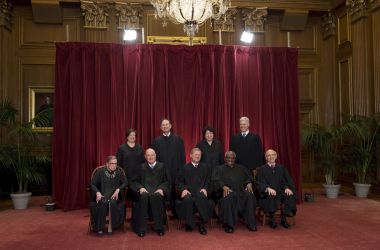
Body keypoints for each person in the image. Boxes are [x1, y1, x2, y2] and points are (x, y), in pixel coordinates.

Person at [212, 151, 257, 233]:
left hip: (240, 192)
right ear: (225, 158)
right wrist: (223, 186)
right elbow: (215, 180)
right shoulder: (218, 169)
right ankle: (229, 225)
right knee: (228, 197)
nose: (230, 159)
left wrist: (249, 183)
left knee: (250, 196)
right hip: (227, 192)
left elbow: (249, 177)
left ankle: (251, 223)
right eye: (228, 157)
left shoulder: (241, 168)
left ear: (234, 159)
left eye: (232, 158)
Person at [130, 148, 170, 237]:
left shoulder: (162, 166)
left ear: (155, 156)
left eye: (152, 155)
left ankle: (159, 227)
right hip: (145, 192)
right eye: (148, 155)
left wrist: (161, 189)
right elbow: (134, 182)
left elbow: (167, 181)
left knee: (158, 196)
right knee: (143, 197)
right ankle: (141, 228)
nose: (150, 157)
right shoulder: (141, 167)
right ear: (145, 157)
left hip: (157, 192)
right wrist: (140, 188)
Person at [176, 148, 215, 235]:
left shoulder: (206, 167)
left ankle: (202, 224)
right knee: (188, 200)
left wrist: (205, 188)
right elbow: (179, 182)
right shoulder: (185, 168)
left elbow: (209, 181)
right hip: (189, 192)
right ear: (190, 155)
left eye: (199, 155)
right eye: (196, 154)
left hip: (201, 192)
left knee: (201, 198)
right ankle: (189, 224)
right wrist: (184, 189)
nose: (197, 156)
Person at [151, 118, 185, 215]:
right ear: (161, 127)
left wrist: (182, 170)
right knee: (163, 190)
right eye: (163, 125)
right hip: (161, 170)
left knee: (175, 191)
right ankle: (161, 214)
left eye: (167, 124)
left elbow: (182, 156)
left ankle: (176, 213)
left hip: (175, 169)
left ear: (170, 126)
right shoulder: (156, 141)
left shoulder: (178, 140)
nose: (165, 126)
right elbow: (153, 157)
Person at [256, 149, 297, 229]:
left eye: (272, 155)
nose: (271, 157)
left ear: (276, 156)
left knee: (289, 195)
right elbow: (259, 183)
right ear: (266, 158)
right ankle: (272, 219)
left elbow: (285, 181)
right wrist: (267, 188)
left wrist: (286, 188)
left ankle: (284, 219)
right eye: (268, 155)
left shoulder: (281, 168)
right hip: (268, 193)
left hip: (280, 191)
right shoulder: (261, 169)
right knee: (271, 195)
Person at [90, 155, 127, 236]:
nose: (114, 165)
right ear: (107, 164)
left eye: (116, 163)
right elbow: (93, 184)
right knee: (103, 203)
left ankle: (111, 226)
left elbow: (125, 182)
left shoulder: (118, 172)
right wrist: (97, 192)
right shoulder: (100, 172)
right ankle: (99, 227)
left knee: (113, 203)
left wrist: (118, 189)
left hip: (114, 195)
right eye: (112, 163)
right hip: (102, 194)